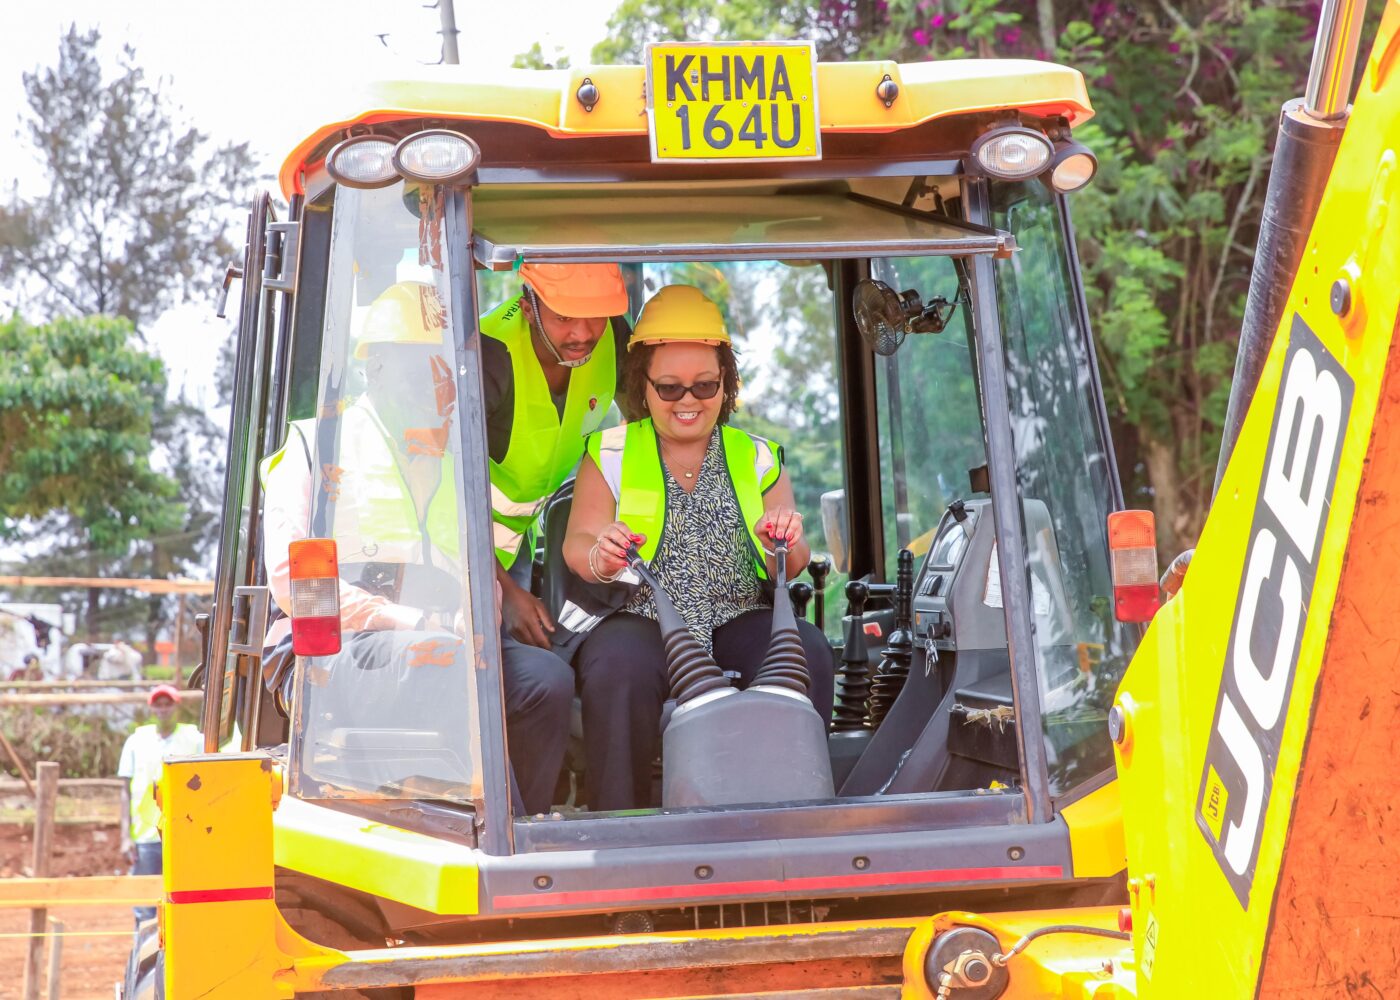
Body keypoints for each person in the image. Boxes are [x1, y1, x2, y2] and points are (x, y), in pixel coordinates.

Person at [261, 277, 577, 814]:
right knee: (448, 664)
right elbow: (300, 588)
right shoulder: (315, 447)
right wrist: (414, 623)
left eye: (449, 367)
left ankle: (529, 823)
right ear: (377, 369)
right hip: (330, 652)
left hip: (446, 646)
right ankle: (505, 834)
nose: (444, 385)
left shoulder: (460, 462)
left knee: (548, 681)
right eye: (424, 367)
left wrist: (476, 620)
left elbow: (479, 571)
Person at [563, 285, 835, 811]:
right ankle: (620, 822)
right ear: (642, 386)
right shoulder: (609, 452)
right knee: (619, 666)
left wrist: (784, 541)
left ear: (726, 385)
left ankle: (793, 810)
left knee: (809, 652)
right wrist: (602, 552)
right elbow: (579, 542)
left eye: (704, 386)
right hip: (638, 617)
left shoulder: (758, 456)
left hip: (737, 615)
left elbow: (793, 563)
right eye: (669, 388)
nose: (688, 401)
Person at [117, 684, 201, 924]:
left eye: (168, 704)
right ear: (151, 709)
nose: (163, 710)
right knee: (145, 906)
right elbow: (124, 792)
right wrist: (125, 836)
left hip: (183, 835)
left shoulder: (194, 738)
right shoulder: (136, 741)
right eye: (158, 705)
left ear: (178, 707)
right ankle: (146, 955)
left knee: (182, 902)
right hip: (146, 836)